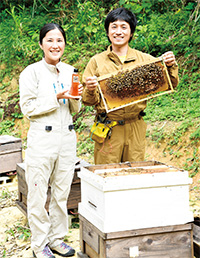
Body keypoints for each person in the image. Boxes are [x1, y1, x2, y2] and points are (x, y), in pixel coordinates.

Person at [82, 7, 179, 165]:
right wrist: (90, 89)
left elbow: (170, 83)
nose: (118, 31)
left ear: (131, 32)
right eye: (114, 27)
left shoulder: (145, 60)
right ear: (107, 32)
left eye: (123, 27)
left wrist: (170, 66)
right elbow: (87, 101)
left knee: (134, 174)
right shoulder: (96, 62)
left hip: (135, 126)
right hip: (109, 128)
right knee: (107, 175)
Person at [19, 23, 82, 258]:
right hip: (42, 138)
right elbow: (28, 108)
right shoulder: (31, 72)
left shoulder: (70, 70)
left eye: (59, 41)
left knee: (62, 191)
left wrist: (77, 97)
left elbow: (75, 108)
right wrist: (55, 96)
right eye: (50, 40)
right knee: (37, 192)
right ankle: (39, 244)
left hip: (67, 137)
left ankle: (56, 239)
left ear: (64, 44)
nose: (55, 45)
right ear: (41, 44)